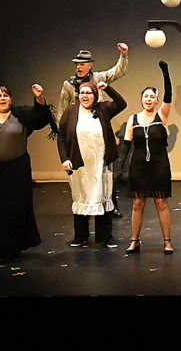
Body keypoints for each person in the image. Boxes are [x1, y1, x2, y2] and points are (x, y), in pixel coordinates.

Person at [0, 83, 52, 262]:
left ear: (11, 99)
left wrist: (39, 98)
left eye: (6, 95)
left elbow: (40, 119)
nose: (2, 98)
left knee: (16, 209)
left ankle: (15, 248)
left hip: (17, 170)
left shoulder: (20, 114)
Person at [56, 43, 130, 218]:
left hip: (97, 124)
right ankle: (83, 210)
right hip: (78, 128)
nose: (78, 67)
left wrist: (124, 56)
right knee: (81, 174)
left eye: (82, 64)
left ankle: (111, 205)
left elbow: (117, 71)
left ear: (90, 65)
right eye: (77, 64)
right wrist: (64, 131)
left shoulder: (98, 78)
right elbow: (62, 107)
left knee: (104, 171)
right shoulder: (69, 84)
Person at [56, 80, 127, 248]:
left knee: (103, 197)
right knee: (81, 197)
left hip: (100, 164)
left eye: (89, 93)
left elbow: (122, 104)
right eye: (82, 93)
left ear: (95, 96)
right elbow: (61, 137)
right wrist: (64, 158)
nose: (85, 96)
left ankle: (105, 236)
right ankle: (80, 236)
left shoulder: (103, 109)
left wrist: (107, 88)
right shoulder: (71, 112)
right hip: (80, 164)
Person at [120, 61, 174, 255]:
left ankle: (167, 241)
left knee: (161, 202)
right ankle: (134, 240)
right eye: (146, 96)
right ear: (141, 99)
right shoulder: (132, 120)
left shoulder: (162, 116)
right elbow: (126, 145)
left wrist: (165, 74)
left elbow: (169, 96)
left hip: (159, 165)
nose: (149, 99)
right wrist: (120, 167)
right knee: (138, 203)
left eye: (152, 96)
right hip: (139, 166)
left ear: (156, 100)